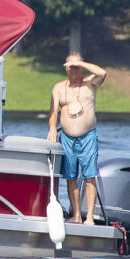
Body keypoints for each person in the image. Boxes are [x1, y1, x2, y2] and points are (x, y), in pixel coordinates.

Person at [46, 52, 108, 224]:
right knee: (71, 177)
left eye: (76, 67)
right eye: (70, 67)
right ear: (65, 68)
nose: (73, 70)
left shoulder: (90, 83)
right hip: (67, 138)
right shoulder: (59, 88)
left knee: (89, 176)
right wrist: (52, 128)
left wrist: (80, 62)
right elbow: (53, 112)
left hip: (88, 136)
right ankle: (76, 215)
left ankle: (89, 217)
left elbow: (102, 73)